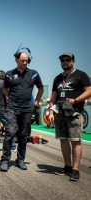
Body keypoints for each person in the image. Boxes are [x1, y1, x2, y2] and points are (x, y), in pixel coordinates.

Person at [48, 52, 91, 181]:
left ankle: (75, 169)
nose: (65, 62)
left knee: (75, 141)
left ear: (73, 61)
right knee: (63, 140)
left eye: (68, 60)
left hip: (74, 113)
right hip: (60, 113)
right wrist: (50, 110)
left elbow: (89, 90)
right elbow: (54, 96)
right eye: (62, 60)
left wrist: (76, 100)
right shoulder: (57, 78)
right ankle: (67, 166)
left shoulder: (81, 75)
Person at [0, 47, 44, 172]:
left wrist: (36, 101)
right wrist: (8, 100)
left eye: (26, 60)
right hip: (12, 108)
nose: (25, 63)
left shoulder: (34, 73)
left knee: (23, 135)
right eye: (22, 60)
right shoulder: (9, 74)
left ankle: (20, 160)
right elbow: (4, 89)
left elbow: (41, 88)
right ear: (16, 60)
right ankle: (5, 160)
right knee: (10, 132)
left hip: (27, 109)